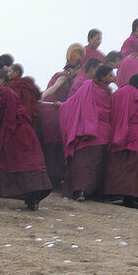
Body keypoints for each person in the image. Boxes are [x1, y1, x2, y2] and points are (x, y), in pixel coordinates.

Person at [0, 68, 52, 210]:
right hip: (23, 134)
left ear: (2, 80)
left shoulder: (3, 90)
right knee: (26, 163)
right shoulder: (8, 92)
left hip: (12, 133)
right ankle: (32, 199)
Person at [60, 65, 114, 201]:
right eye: (110, 75)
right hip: (88, 131)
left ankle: (85, 192)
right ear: (102, 77)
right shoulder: (88, 86)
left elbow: (71, 103)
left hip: (97, 131)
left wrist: (62, 106)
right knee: (86, 162)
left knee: (91, 163)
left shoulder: (108, 92)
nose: (113, 77)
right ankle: (80, 191)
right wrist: (61, 105)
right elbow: (73, 102)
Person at [103, 72, 138, 206]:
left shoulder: (119, 93)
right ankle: (130, 197)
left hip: (118, 132)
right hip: (137, 135)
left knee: (118, 164)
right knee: (134, 167)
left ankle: (114, 194)